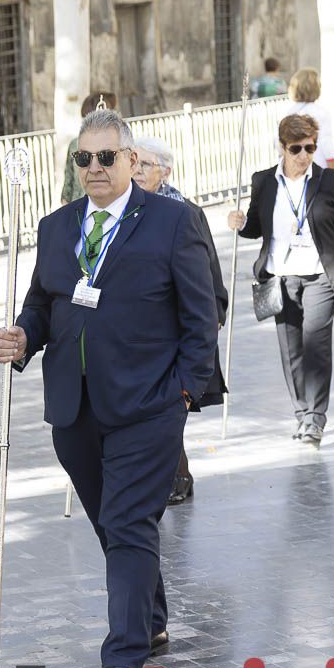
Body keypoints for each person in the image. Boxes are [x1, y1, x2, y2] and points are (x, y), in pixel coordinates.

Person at [0, 110, 217, 668]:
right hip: (75, 408)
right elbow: (43, 304)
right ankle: (153, 619)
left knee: (126, 523)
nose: (94, 169)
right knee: (112, 524)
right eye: (82, 159)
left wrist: (185, 392)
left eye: (106, 157)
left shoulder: (172, 221)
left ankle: (123, 659)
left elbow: (202, 314)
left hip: (149, 405)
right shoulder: (56, 226)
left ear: (131, 161)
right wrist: (20, 337)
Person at [226, 114, 334, 445]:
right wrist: (241, 222)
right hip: (280, 278)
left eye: (310, 148)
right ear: (282, 147)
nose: (304, 156)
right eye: (296, 149)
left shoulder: (330, 181)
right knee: (291, 352)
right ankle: (302, 414)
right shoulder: (264, 181)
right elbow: (257, 227)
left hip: (320, 276)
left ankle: (316, 418)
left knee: (315, 345)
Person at [132, 135, 229, 505]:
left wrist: (214, 312)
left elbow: (208, 268)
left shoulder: (185, 212)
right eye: (134, 162)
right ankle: (174, 474)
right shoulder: (128, 209)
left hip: (179, 325)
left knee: (170, 409)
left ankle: (176, 476)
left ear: (166, 171)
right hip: (143, 326)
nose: (138, 171)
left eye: (146, 165)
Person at [61, 92, 117, 205]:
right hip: (80, 209)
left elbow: (67, 189)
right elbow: (67, 188)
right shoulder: (74, 145)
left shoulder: (119, 144)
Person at [279, 68, 334, 168]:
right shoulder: (321, 113)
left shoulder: (286, 113)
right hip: (317, 167)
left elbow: (280, 146)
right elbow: (326, 144)